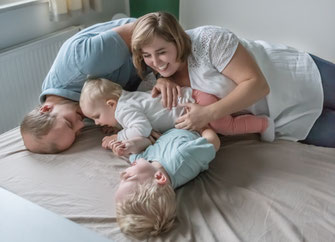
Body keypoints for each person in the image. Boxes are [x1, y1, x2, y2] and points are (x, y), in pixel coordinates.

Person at [131, 12, 335, 148]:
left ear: (177, 41)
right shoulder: (155, 81)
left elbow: (257, 85)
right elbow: (138, 110)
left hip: (299, 76)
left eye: (161, 52)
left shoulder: (209, 40)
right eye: (147, 55)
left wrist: (208, 113)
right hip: (287, 120)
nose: (156, 62)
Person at [20, 17, 142, 153]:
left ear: (46, 108)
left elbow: (148, 26)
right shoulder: (69, 103)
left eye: (69, 123)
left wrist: (165, 76)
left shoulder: (83, 65)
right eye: (77, 133)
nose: (82, 124)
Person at [79, 77, 274, 151]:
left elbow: (142, 128)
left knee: (226, 126)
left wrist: (118, 135)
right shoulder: (127, 99)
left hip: (197, 102)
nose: (96, 123)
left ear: (111, 104)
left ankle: (263, 124)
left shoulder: (123, 110)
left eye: (96, 116)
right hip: (194, 99)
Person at [111, 128, 220, 239]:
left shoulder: (145, 162)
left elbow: (148, 141)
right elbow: (213, 142)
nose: (122, 173)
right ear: (159, 177)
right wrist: (203, 126)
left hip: (169, 127)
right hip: (194, 125)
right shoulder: (184, 157)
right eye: (128, 177)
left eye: (121, 180)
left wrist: (131, 145)